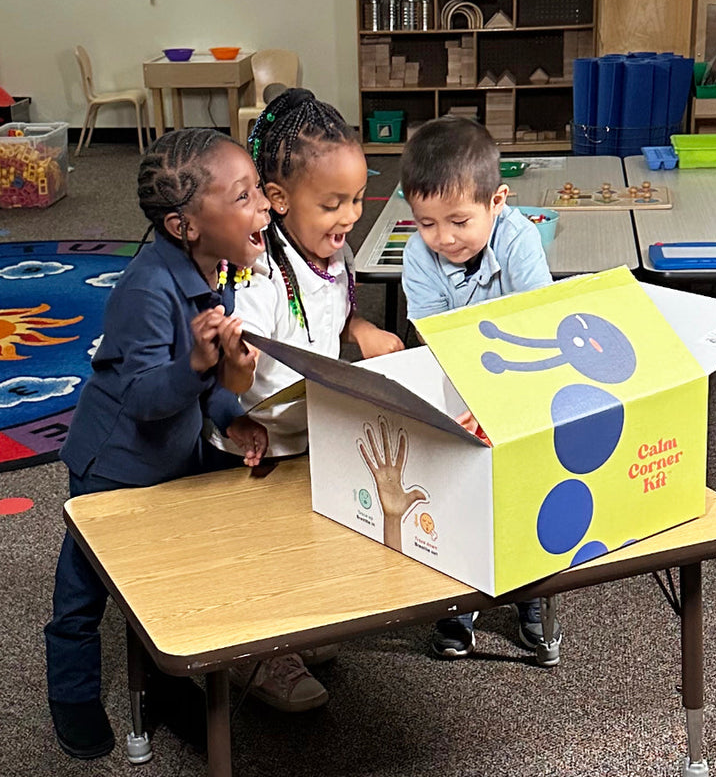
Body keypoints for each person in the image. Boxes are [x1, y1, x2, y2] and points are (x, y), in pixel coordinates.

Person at [45, 128, 270, 760]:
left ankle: (168, 694)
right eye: (245, 196)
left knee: (170, 585)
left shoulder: (216, 269)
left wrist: (233, 416)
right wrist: (197, 364)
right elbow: (145, 398)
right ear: (185, 225)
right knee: (82, 595)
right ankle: (73, 698)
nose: (265, 207)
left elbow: (210, 389)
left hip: (175, 459)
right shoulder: (146, 291)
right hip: (112, 465)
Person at [207, 87, 404, 710]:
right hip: (250, 435)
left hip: (307, 425)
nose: (348, 218)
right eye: (332, 205)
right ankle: (257, 658)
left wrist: (361, 330)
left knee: (308, 535)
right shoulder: (255, 270)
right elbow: (233, 362)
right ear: (278, 199)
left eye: (355, 200)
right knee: (255, 550)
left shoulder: (330, 249)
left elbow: (335, 311)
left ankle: (292, 630)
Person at [400, 115, 562, 664]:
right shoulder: (420, 255)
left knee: (526, 490)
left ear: (498, 202)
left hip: (521, 377)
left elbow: (535, 321)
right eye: (426, 223)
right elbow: (432, 335)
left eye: (459, 221)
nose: (443, 238)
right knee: (456, 488)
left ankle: (531, 595)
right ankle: (458, 603)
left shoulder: (518, 240)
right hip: (454, 378)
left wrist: (500, 395)